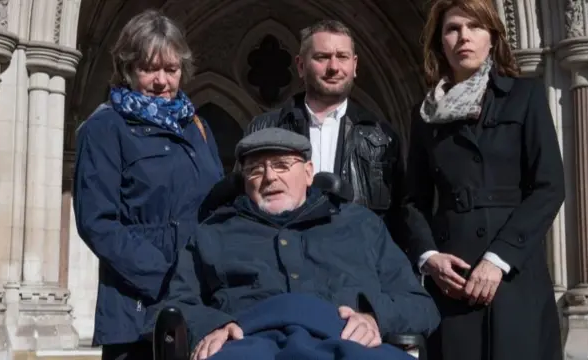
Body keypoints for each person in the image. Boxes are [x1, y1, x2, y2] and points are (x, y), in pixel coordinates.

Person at [162, 127, 440, 360]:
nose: (270, 177)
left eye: (282, 166)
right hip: (248, 343)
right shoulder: (213, 232)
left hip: (347, 341)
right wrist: (214, 326)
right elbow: (175, 305)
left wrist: (375, 318)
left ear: (309, 173)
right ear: (244, 181)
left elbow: (419, 305)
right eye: (256, 170)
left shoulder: (360, 225)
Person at [402, 0, 565, 359]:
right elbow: (413, 200)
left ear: (492, 37)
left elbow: (549, 187)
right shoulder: (424, 114)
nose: (464, 37)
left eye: (474, 27)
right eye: (452, 29)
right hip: (452, 281)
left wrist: (499, 259)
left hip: (513, 274)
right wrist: (429, 257)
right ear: (439, 43)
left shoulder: (525, 97)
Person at [73, 9, 224, 360]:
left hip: (199, 301)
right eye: (148, 69)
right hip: (137, 305)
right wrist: (166, 274)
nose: (161, 81)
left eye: (170, 70)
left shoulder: (197, 127)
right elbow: (97, 222)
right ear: (127, 69)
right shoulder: (105, 128)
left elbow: (216, 204)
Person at [243, 20, 406, 248]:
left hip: (357, 265)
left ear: (355, 65)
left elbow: (400, 217)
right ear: (300, 66)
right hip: (284, 264)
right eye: (322, 57)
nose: (333, 67)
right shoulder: (263, 130)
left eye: (342, 57)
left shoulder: (382, 137)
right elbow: (242, 207)